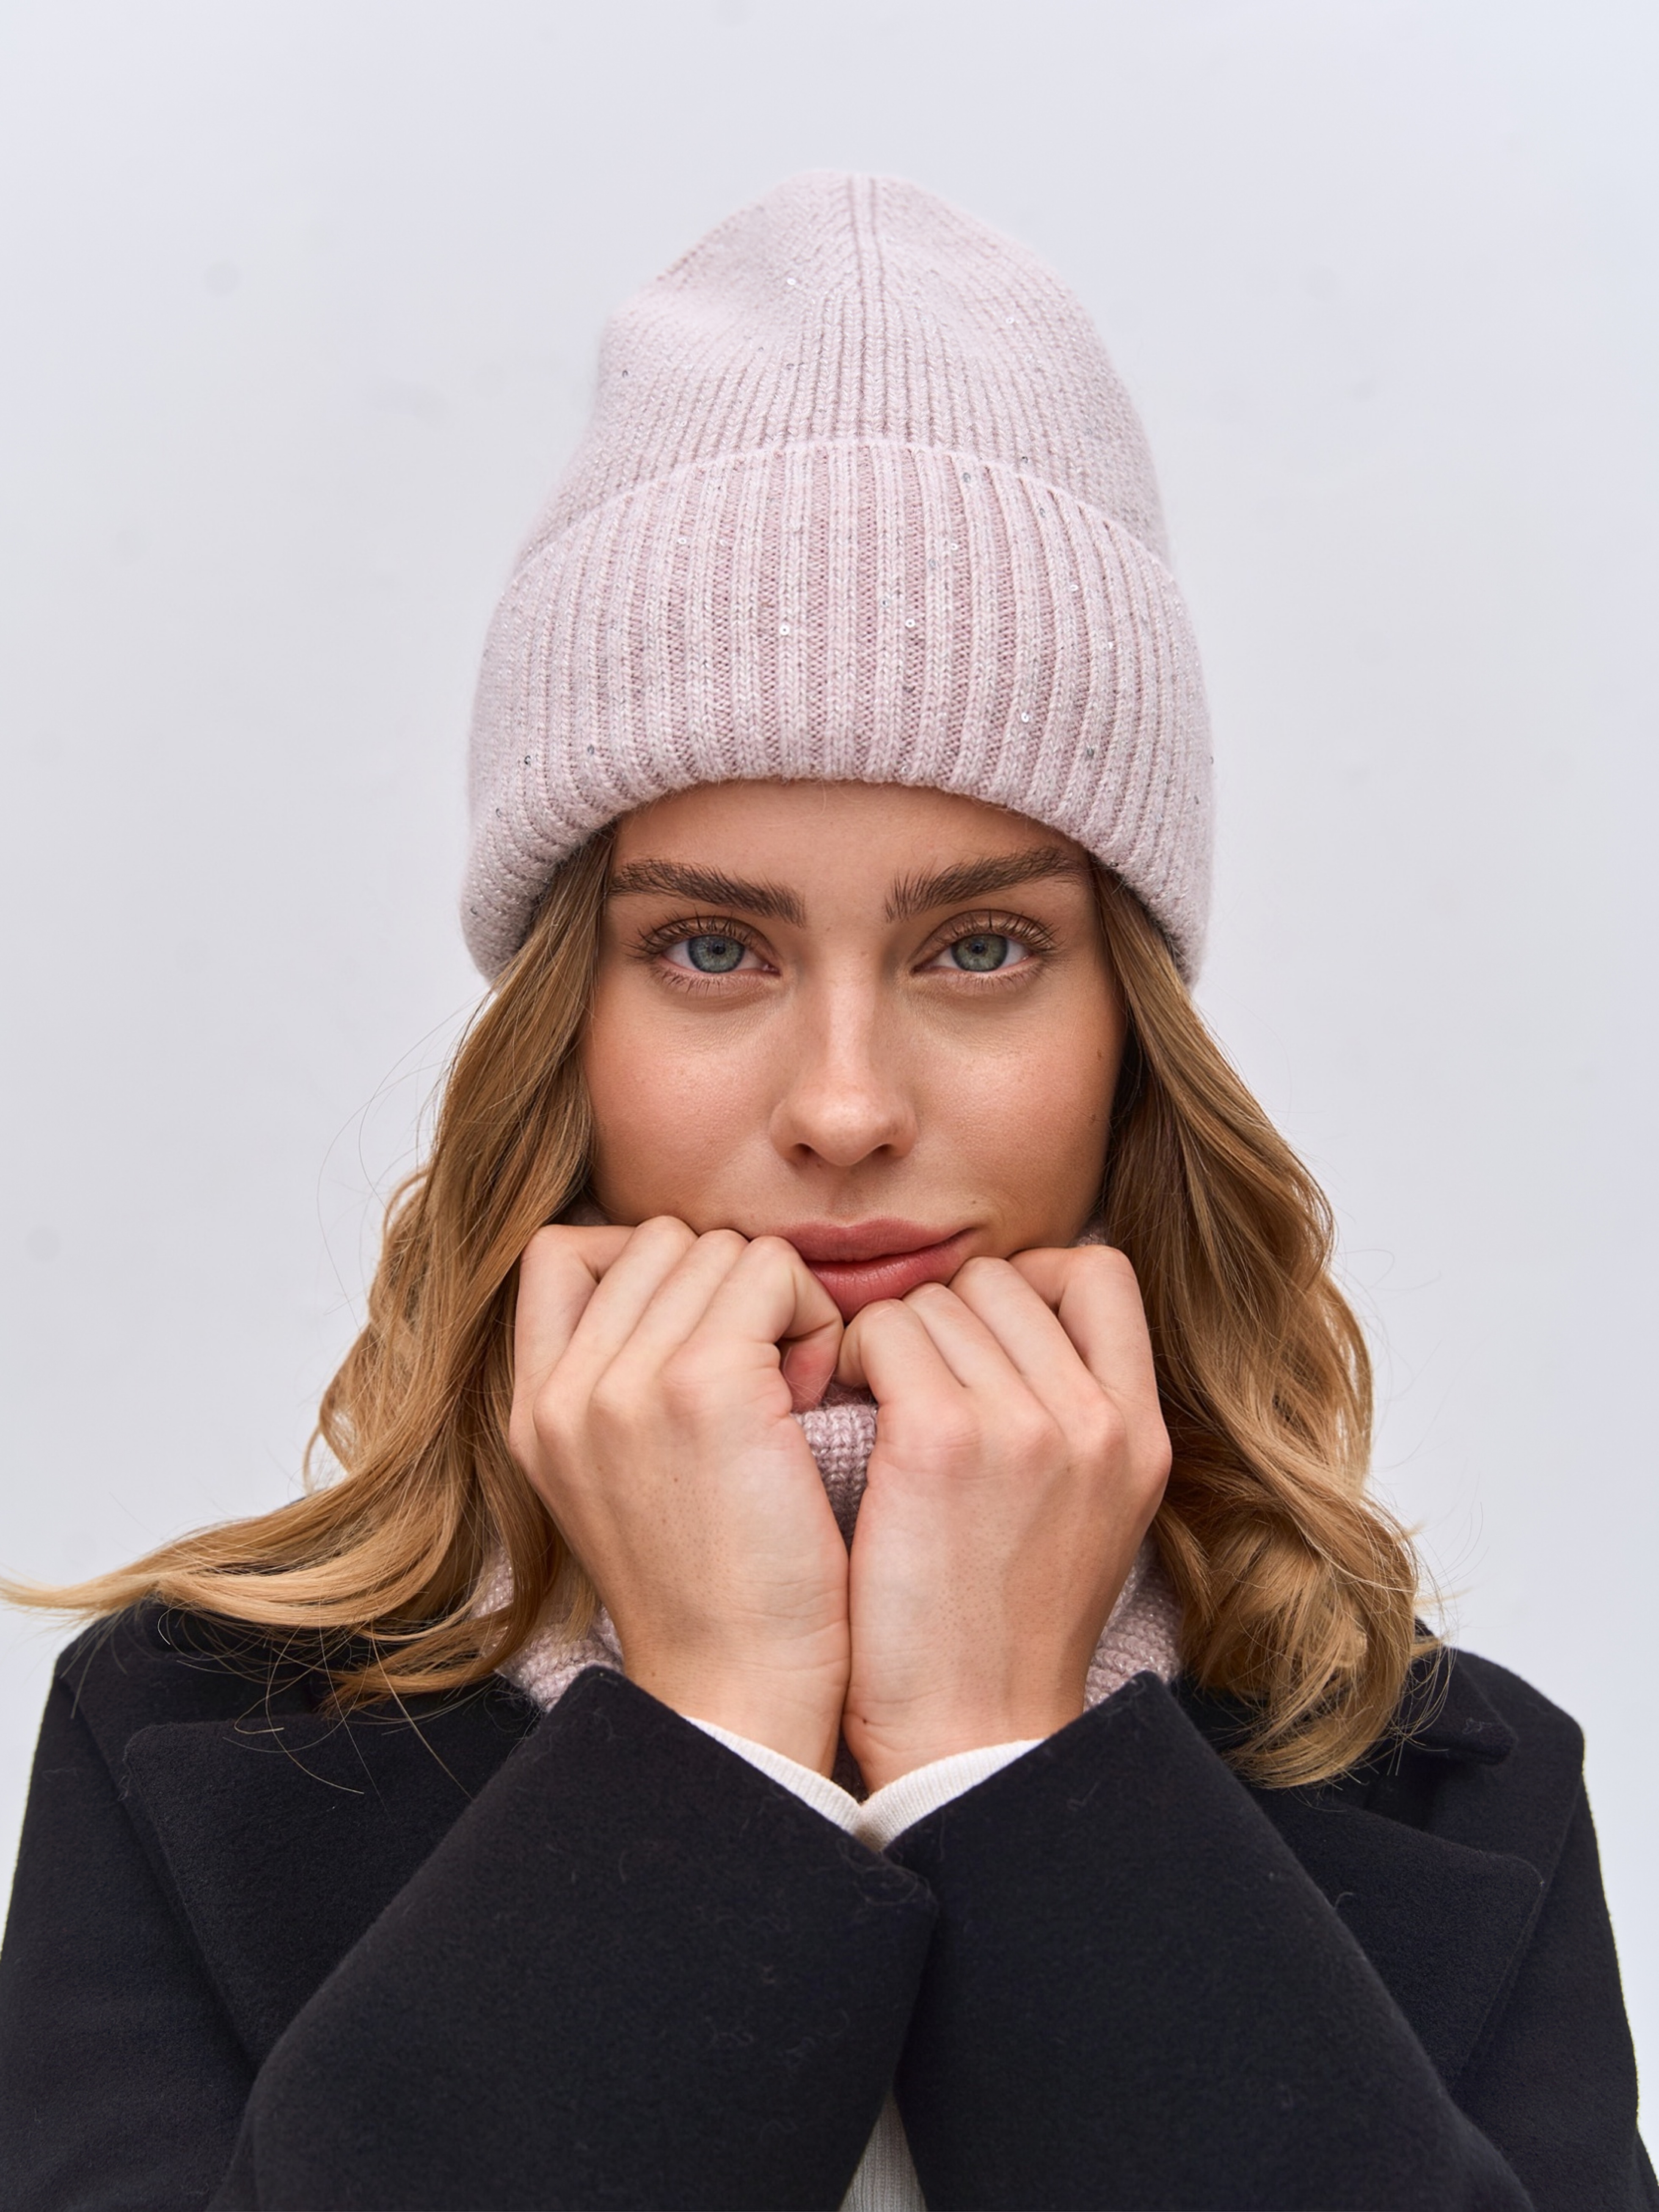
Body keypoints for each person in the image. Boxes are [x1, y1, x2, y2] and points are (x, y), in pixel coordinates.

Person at [0, 171, 1649, 2212]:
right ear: (564, 1028)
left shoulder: (1462, 1788)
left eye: (982, 946)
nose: (847, 1105)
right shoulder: (179, 1740)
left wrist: (1008, 1755)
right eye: (710, 946)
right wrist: (707, 1731)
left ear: (1128, 1033)